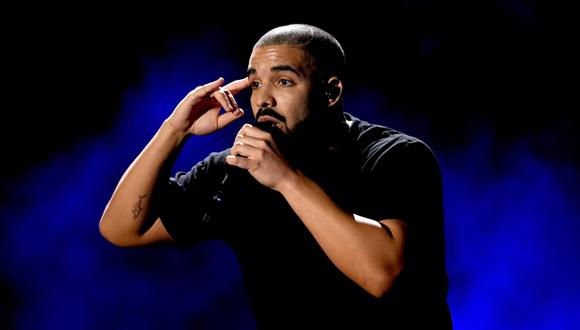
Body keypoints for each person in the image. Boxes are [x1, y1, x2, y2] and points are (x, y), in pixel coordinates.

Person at [99, 24, 452, 329]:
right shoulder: (236, 170)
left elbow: (382, 274)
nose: (263, 99)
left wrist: (285, 179)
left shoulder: (397, 156)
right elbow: (121, 229)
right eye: (254, 84)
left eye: (283, 81)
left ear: (331, 92)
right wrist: (175, 131)